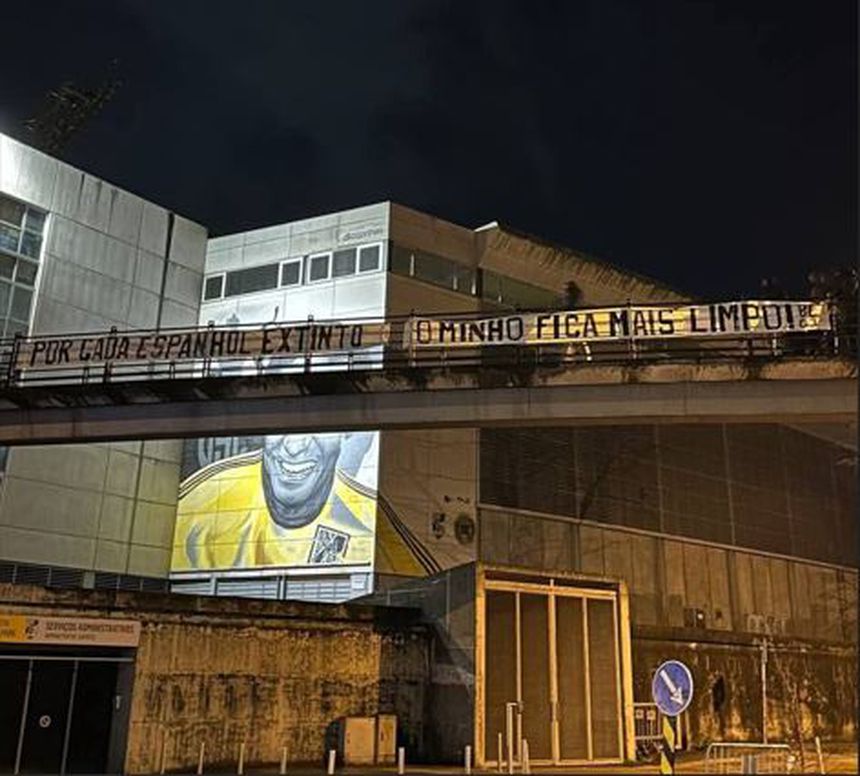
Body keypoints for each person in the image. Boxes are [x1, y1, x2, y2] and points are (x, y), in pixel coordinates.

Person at [171, 431, 433, 574]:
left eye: (323, 428)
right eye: (280, 426)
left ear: (347, 434)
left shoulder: (372, 524)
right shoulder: (200, 505)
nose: (294, 448)